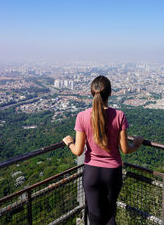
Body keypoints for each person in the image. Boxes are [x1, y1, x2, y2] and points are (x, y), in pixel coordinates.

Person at [62, 75, 144, 225]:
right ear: (110, 93)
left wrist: (69, 143)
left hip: (91, 173)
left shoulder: (82, 116)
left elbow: (78, 151)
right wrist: (137, 144)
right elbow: (125, 149)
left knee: (95, 218)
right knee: (110, 215)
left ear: (91, 93)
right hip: (112, 173)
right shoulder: (119, 116)